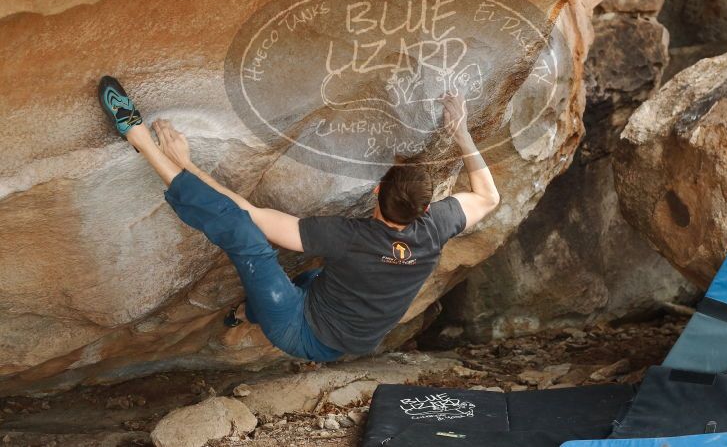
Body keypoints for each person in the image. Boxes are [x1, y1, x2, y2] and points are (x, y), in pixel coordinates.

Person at [98, 75, 500, 362]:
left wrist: (186, 164)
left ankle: (137, 138)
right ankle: (246, 312)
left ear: (376, 191)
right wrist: (461, 133)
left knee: (246, 241)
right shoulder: (437, 226)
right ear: (425, 210)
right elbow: (488, 196)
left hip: (301, 330)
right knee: (307, 280)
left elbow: (248, 216)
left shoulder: (347, 236)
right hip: (348, 327)